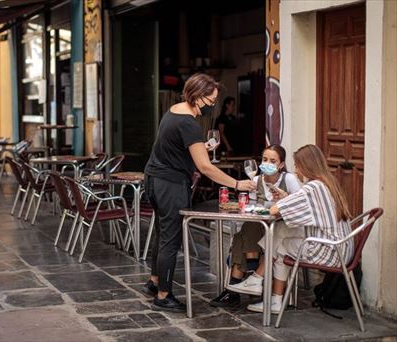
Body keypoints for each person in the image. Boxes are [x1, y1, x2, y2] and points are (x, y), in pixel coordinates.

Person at [143, 73, 256, 313]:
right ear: (197, 96)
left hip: (154, 179)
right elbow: (205, 167)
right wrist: (237, 184)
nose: (213, 105)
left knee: (162, 234)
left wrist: (201, 148)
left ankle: (155, 282)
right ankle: (163, 296)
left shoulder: (174, 111)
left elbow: (173, 147)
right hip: (170, 185)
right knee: (170, 240)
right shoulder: (190, 124)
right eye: (211, 100)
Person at [230, 144, 354, 314]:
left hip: (330, 252)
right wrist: (286, 197)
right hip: (342, 247)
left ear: (306, 166)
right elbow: (305, 207)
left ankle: (260, 283)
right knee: (283, 232)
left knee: (281, 242)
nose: (295, 170)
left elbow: (274, 210)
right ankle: (265, 289)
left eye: (297, 165)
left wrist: (282, 201)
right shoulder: (327, 182)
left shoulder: (313, 187)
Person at [209, 144, 301, 307]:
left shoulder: (289, 180)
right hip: (260, 227)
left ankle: (234, 291)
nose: (267, 163)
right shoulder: (256, 181)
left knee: (242, 236)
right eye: (265, 159)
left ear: (280, 164)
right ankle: (246, 277)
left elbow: (299, 206)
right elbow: (251, 209)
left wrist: (283, 199)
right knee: (244, 233)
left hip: (282, 229)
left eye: (273, 161)